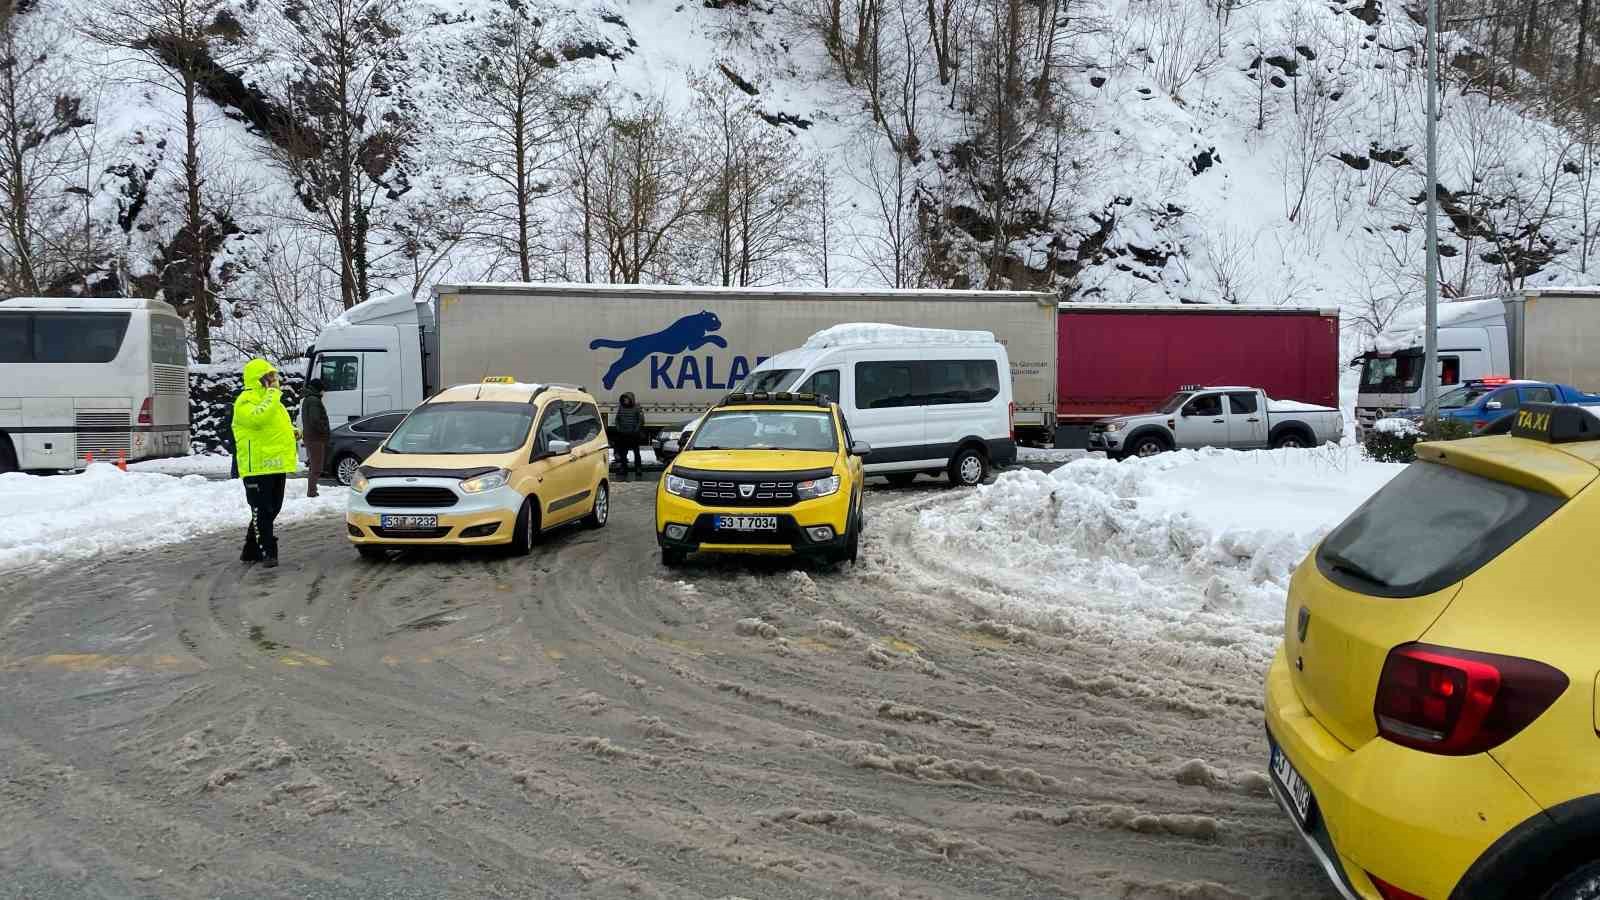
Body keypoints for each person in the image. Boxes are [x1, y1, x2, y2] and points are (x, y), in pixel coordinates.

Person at [232, 358, 298, 568]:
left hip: (276, 464)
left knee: (273, 508)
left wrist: (293, 433)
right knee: (262, 509)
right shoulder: (245, 401)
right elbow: (257, 419)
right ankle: (268, 551)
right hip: (257, 467)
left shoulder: (273, 402)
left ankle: (250, 549)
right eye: (270, 376)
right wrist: (271, 394)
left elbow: (272, 426)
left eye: (274, 376)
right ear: (259, 379)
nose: (274, 380)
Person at [300, 378, 330, 498]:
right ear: (318, 389)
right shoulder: (313, 400)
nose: (324, 392)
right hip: (315, 438)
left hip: (311, 437)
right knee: (317, 467)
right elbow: (315, 420)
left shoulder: (309, 399)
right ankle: (312, 492)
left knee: (314, 465)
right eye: (323, 390)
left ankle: (312, 489)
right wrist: (323, 430)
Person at [613, 392, 644, 476]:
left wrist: (635, 430)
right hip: (623, 434)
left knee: (636, 453)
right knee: (623, 453)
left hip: (634, 435)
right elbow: (617, 419)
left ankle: (638, 468)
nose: (625, 400)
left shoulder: (637, 408)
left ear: (631, 399)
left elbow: (640, 420)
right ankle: (624, 468)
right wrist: (619, 428)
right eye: (624, 399)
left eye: (627, 399)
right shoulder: (621, 408)